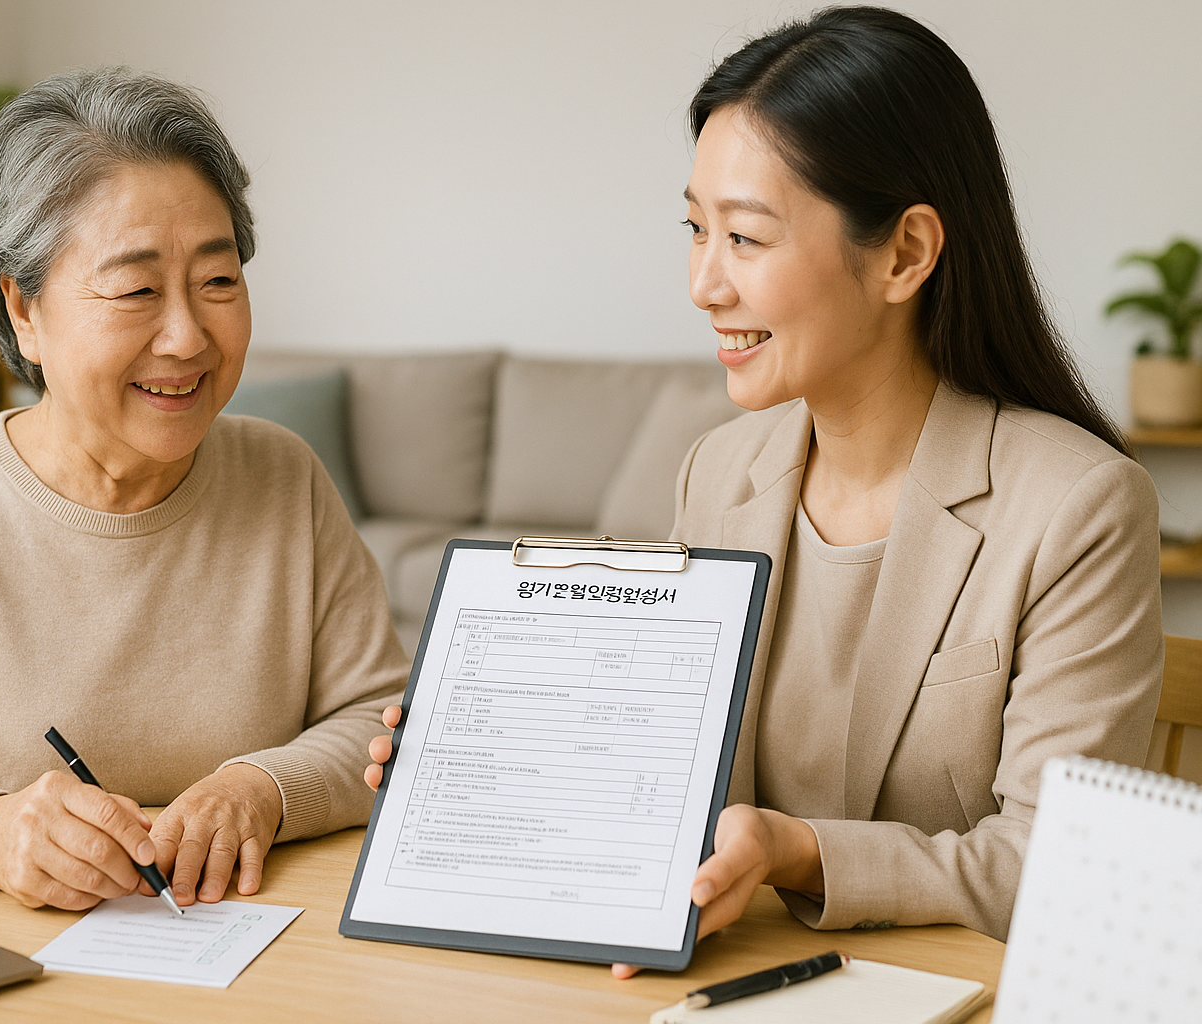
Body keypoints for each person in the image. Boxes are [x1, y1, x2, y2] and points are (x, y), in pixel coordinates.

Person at [367, 5, 1163, 970]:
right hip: (725, 977)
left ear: (906, 253)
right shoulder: (720, 471)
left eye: (745, 238)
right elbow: (656, 772)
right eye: (695, 230)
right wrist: (491, 762)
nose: (704, 283)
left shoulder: (1078, 505)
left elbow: (1055, 866)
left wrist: (805, 853)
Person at [0, 68, 407, 913]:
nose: (187, 335)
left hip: (247, 957)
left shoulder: (286, 481)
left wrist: (260, 789)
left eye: (219, 280)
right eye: (134, 290)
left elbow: (382, 726)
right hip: (9, 967)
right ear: (24, 310)